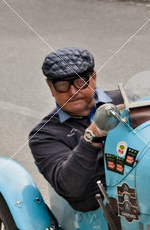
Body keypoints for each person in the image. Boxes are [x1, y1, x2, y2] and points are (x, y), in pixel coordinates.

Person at [28, 47, 123, 212]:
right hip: (102, 210)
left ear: (93, 78)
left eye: (80, 82)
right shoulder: (44, 135)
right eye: (62, 85)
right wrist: (92, 135)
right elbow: (70, 186)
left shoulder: (125, 100)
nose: (73, 92)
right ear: (51, 87)